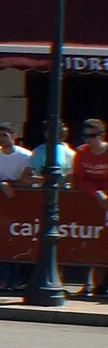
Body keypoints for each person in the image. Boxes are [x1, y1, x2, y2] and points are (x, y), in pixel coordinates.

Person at [0, 123, 34, 290]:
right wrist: (1, 185)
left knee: (18, 241)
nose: (1, 139)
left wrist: (11, 185)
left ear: (13, 135)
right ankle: (1, 279)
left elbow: (28, 179)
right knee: (1, 240)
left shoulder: (25, 155)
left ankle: (16, 279)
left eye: (5, 135)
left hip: (20, 204)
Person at [71, 119, 108, 295]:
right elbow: (79, 179)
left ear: (102, 136)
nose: (88, 140)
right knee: (91, 243)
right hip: (90, 201)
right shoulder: (81, 152)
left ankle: (101, 285)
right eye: (86, 136)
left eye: (93, 136)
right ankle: (90, 285)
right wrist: (96, 193)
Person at [26, 121, 75, 188]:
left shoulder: (71, 153)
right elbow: (25, 178)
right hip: (41, 192)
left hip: (63, 193)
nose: (56, 134)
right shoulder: (38, 151)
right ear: (46, 133)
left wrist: (62, 179)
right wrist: (47, 180)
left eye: (59, 131)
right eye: (52, 131)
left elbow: (75, 177)